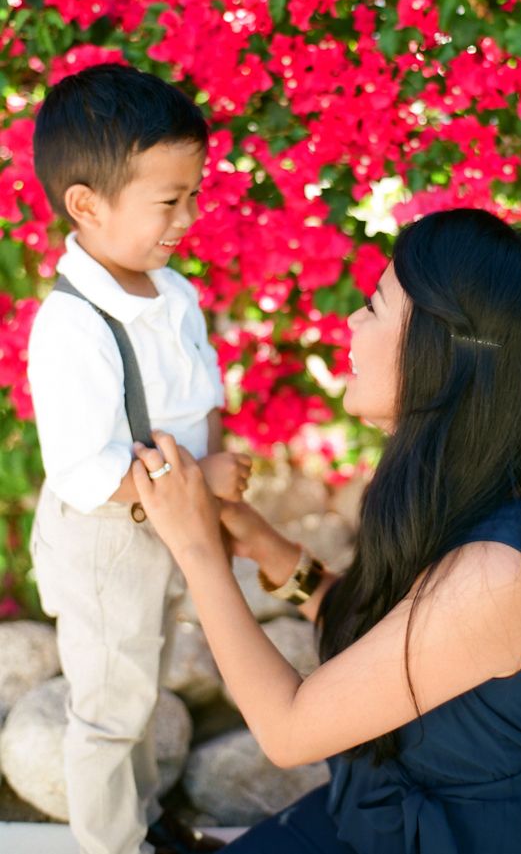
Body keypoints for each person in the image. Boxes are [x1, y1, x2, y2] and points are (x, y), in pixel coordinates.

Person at [132, 208, 521, 854]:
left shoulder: (499, 569)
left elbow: (290, 729)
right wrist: (269, 549)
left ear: (437, 347)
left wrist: (197, 551)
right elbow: (385, 642)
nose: (352, 322)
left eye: (375, 307)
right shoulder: (458, 493)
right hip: (379, 816)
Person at [27, 63, 251, 854]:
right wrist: (197, 484)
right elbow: (87, 471)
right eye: (169, 200)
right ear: (86, 205)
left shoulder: (172, 289)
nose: (187, 216)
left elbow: (202, 392)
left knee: (141, 686)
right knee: (109, 703)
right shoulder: (74, 327)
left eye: (193, 194)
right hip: (106, 540)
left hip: (164, 524)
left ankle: (144, 820)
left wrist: (213, 485)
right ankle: (109, 845)